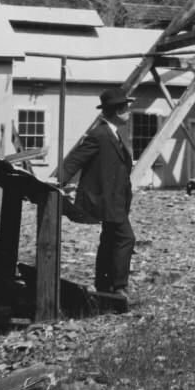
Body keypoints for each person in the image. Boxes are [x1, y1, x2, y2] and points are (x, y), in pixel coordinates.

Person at [60, 88, 136, 299]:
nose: (129, 112)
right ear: (119, 111)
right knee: (126, 238)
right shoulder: (99, 134)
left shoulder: (112, 133)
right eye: (126, 108)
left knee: (110, 239)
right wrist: (57, 180)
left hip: (116, 200)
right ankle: (119, 287)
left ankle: (104, 286)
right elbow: (76, 159)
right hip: (106, 200)